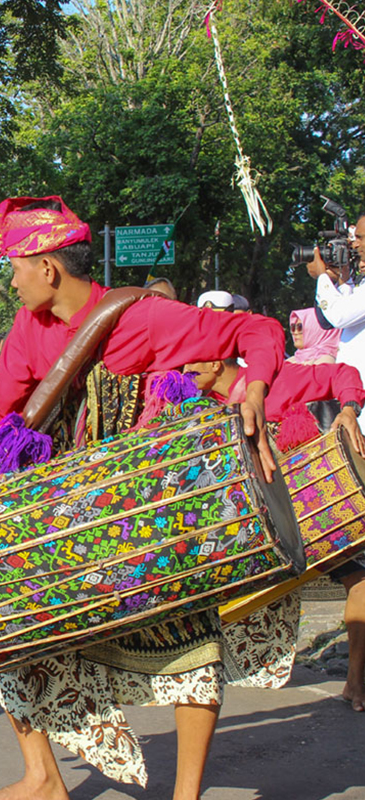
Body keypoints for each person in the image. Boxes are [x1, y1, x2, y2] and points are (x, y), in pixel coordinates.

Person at [0, 195, 286, 799]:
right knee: (0, 618)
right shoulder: (28, 329)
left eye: (14, 268)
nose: (12, 280)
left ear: (48, 268)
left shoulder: (144, 319)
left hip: (147, 504)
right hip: (62, 508)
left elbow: (257, 330)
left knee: (189, 638)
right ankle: (43, 778)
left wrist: (253, 392)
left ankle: (186, 796)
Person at [182, 354, 365, 713]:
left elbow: (343, 373)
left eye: (191, 367)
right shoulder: (200, 405)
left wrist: (348, 411)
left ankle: (356, 680)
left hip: (311, 508)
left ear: (217, 363)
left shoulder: (279, 379)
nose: (184, 374)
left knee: (360, 579)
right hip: (247, 523)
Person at [310, 214, 365, 396]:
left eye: (360, 238)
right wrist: (345, 278)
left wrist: (322, 277)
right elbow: (350, 308)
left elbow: (339, 316)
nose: (354, 245)